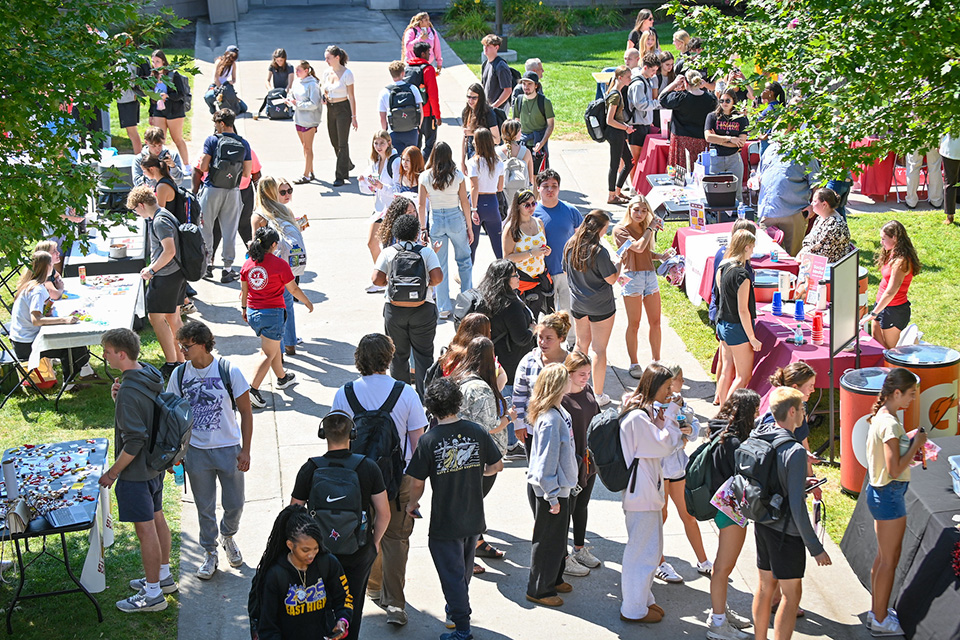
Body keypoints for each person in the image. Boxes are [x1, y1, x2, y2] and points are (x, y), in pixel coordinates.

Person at [331, 333, 428, 628]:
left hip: (357, 478)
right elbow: (418, 445)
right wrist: (416, 489)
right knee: (396, 539)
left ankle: (372, 586)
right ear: (389, 358)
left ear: (359, 358)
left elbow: (337, 442)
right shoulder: (406, 393)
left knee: (365, 532)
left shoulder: (344, 393)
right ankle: (395, 604)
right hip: (397, 478)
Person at [406, 378, 503, 639]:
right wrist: (477, 471)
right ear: (458, 403)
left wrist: (412, 504)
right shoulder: (477, 431)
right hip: (473, 518)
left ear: (430, 408)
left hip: (445, 522)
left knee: (451, 576)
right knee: (462, 571)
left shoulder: (429, 440)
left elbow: (417, 482)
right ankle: (455, 609)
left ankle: (461, 628)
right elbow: (496, 466)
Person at [289, 411, 391, 640]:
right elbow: (384, 513)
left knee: (319, 605)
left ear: (323, 434)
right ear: (352, 434)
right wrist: (374, 543)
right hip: (358, 551)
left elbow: (293, 514)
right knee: (351, 604)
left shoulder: (310, 468)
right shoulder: (368, 467)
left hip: (318, 554)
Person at [167, 321, 252, 580]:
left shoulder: (228, 370)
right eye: (181, 346)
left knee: (235, 503)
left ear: (203, 344)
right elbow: (171, 415)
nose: (182, 351)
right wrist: (174, 453)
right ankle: (210, 551)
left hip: (228, 449)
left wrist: (246, 450)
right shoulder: (179, 375)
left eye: (187, 346)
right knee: (204, 507)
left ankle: (228, 536)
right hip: (196, 452)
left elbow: (246, 412)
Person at [98, 328, 173, 613]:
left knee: (146, 531)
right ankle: (163, 577)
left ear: (121, 354)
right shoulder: (149, 373)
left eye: (107, 351)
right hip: (155, 467)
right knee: (157, 518)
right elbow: (145, 415)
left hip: (136, 473)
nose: (104, 356)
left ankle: (153, 595)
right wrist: (119, 400)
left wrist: (112, 473)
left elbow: (134, 441)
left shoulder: (129, 390)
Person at [750, 387, 832, 640]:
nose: (805, 413)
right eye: (803, 408)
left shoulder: (760, 433)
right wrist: (816, 548)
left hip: (763, 522)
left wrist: (800, 481)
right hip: (786, 533)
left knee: (765, 588)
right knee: (791, 594)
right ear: (793, 411)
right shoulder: (795, 451)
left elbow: (775, 476)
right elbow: (797, 507)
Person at [618, 363, 686, 624]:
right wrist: (672, 415)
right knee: (642, 553)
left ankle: (643, 600)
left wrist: (662, 416)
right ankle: (633, 609)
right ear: (655, 386)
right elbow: (665, 444)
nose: (671, 392)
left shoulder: (640, 412)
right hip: (641, 494)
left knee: (649, 549)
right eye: (667, 387)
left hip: (645, 491)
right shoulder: (637, 418)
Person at [864, 368, 924, 637]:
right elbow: (895, 468)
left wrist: (907, 441)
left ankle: (876, 612)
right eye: (911, 394)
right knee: (890, 560)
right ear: (896, 393)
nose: (913, 399)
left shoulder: (884, 416)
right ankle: (880, 620)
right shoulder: (889, 423)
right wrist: (917, 443)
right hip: (889, 494)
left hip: (882, 493)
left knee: (883, 558)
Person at [451, 336, 514, 572]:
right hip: (479, 458)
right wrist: (509, 418)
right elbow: (490, 426)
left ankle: (476, 543)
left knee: (469, 505)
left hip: (461, 453)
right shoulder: (480, 389)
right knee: (470, 507)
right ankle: (465, 556)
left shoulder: (460, 377)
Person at [704, 388, 760, 640]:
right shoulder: (736, 443)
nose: (758, 414)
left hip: (720, 506)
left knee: (722, 566)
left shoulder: (720, 430)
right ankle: (717, 624)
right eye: (755, 410)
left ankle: (721, 611)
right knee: (723, 567)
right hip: (732, 509)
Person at [251, 506, 352, 640]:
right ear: (290, 545)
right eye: (305, 550)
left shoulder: (328, 563)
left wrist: (342, 619)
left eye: (315, 548)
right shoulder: (275, 575)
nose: (311, 555)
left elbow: (344, 598)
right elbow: (268, 626)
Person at [240, 227, 314, 408]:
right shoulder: (280, 264)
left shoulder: (248, 264)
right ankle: (252, 390)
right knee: (267, 353)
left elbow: (244, 291)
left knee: (271, 347)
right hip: (272, 314)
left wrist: (244, 309)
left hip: (253, 312)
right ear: (273, 244)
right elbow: (293, 288)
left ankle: (282, 378)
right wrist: (307, 302)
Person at [524, 363, 579, 607]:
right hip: (549, 491)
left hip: (560, 488)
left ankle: (554, 579)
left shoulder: (559, 412)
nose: (571, 381)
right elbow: (545, 463)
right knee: (546, 542)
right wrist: (553, 496)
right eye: (567, 378)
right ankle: (539, 589)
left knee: (557, 541)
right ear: (558, 385)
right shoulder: (550, 419)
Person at [372, 214, 444, 397]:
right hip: (423, 309)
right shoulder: (426, 252)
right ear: (416, 234)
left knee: (398, 356)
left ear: (396, 234)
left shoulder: (388, 252)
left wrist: (391, 284)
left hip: (395, 310)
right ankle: (424, 398)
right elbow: (438, 278)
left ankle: (401, 398)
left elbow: (376, 279)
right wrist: (424, 285)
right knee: (424, 356)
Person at [654, 363, 710, 585]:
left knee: (688, 514)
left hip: (678, 468)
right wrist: (680, 440)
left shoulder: (681, 403)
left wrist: (690, 431)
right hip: (659, 469)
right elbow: (660, 440)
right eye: (679, 380)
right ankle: (658, 562)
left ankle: (703, 561)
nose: (683, 383)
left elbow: (695, 427)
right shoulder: (654, 407)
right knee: (661, 515)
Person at [475, 260, 536, 456]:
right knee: (508, 401)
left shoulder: (485, 296)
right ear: (504, 280)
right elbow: (521, 338)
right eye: (515, 275)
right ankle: (510, 444)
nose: (518, 278)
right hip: (510, 361)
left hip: (490, 356)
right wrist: (533, 329)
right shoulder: (511, 305)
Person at [563, 210, 619, 406]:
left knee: (580, 345)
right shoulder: (599, 251)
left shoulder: (570, 245)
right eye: (606, 228)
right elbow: (611, 279)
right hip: (600, 306)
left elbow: (565, 271)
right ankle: (598, 394)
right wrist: (618, 265)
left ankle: (571, 388)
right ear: (599, 229)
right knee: (599, 350)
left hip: (578, 304)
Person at [127, 186, 185, 377]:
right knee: (173, 318)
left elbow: (169, 251)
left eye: (135, 209)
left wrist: (151, 270)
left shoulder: (159, 221)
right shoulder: (165, 214)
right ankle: (182, 361)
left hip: (166, 276)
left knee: (156, 318)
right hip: (177, 274)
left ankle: (171, 363)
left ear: (142, 205)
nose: (137, 213)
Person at [614, 195, 674, 372]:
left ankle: (657, 361)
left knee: (656, 322)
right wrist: (650, 228)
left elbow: (645, 251)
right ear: (629, 209)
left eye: (644, 210)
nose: (639, 214)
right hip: (630, 277)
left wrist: (661, 256)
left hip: (649, 275)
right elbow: (638, 248)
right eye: (636, 210)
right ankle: (634, 363)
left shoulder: (644, 228)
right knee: (634, 323)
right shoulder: (620, 230)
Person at [194, 108, 253, 284]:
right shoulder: (243, 143)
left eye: (216, 123)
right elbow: (247, 173)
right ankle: (227, 269)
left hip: (212, 189)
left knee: (206, 228)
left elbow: (203, 167)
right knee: (230, 231)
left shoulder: (212, 140)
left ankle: (207, 266)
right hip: (233, 191)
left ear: (221, 123)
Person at [9, 251, 87, 383]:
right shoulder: (37, 290)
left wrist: (47, 313)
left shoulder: (31, 284)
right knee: (72, 345)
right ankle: (70, 383)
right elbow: (36, 320)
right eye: (51, 263)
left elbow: (36, 315)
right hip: (26, 345)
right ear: (47, 267)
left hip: (20, 340)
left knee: (72, 342)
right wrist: (64, 320)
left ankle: (85, 373)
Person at [418, 141, 473, 319]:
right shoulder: (457, 176)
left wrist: (422, 228)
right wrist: (469, 227)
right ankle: (467, 302)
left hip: (436, 220)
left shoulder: (425, 176)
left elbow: (421, 205)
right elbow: (464, 202)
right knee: (464, 260)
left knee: (440, 264)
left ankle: (443, 307)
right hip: (455, 218)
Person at [560, 351, 601, 576]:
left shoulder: (588, 390)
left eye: (588, 373)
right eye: (581, 374)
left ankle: (579, 548)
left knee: (582, 505)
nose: (586, 378)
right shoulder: (562, 399)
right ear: (569, 373)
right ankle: (563, 557)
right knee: (567, 509)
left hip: (588, 461)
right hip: (571, 462)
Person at [535, 169, 584, 342]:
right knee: (544, 313)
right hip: (541, 273)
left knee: (568, 310)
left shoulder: (571, 211)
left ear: (559, 188)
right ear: (538, 188)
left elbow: (582, 239)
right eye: (545, 186)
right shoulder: (531, 212)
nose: (550, 189)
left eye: (554, 186)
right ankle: (543, 343)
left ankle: (570, 342)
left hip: (566, 272)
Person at [513, 311, 571, 453]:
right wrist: (519, 424)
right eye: (540, 337)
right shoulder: (528, 361)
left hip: (564, 429)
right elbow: (519, 395)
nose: (543, 342)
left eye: (549, 338)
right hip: (533, 429)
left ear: (561, 338)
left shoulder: (571, 363)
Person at [715, 229, 761, 405]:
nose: (753, 251)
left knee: (726, 371)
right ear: (746, 247)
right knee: (743, 376)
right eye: (752, 247)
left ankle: (721, 408)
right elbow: (743, 310)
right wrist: (752, 338)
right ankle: (726, 413)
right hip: (736, 328)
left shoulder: (723, 267)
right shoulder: (742, 275)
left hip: (722, 324)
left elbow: (722, 296)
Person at [860, 220, 921, 349]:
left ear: (894, 238)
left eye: (883, 239)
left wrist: (873, 313)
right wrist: (876, 311)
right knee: (878, 346)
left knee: (892, 351)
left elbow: (891, 291)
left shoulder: (901, 261)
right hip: (881, 305)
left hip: (894, 310)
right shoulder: (891, 253)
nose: (881, 242)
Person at [756, 140, 820, 257]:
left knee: (793, 258)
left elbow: (817, 184)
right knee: (766, 256)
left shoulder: (804, 153)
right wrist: (755, 179)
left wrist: (813, 206)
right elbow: (760, 173)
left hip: (793, 214)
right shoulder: (770, 149)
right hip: (767, 213)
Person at [503, 189, 552, 319]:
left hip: (539, 280)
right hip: (521, 282)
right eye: (527, 205)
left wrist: (546, 250)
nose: (531, 208)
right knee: (521, 320)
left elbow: (542, 245)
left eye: (533, 203)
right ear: (518, 206)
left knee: (536, 319)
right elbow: (507, 258)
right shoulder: (512, 228)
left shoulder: (539, 222)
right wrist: (531, 254)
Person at [659, 70, 717, 170]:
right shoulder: (710, 99)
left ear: (685, 82)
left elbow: (661, 98)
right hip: (701, 139)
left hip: (681, 140)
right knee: (700, 169)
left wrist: (674, 83)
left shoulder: (680, 98)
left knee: (680, 170)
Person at [360, 130, 402, 269]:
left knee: (390, 248)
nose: (378, 146)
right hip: (379, 209)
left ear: (389, 143)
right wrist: (366, 183)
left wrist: (381, 186)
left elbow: (398, 190)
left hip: (392, 210)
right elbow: (370, 189)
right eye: (376, 143)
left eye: (382, 143)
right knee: (372, 243)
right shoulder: (376, 161)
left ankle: (389, 275)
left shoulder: (395, 162)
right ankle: (382, 274)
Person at [466, 127, 505, 261]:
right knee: (498, 243)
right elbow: (500, 187)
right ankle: (505, 269)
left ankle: (468, 271)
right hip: (492, 202)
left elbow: (474, 187)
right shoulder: (498, 162)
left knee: (472, 243)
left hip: (477, 203)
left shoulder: (473, 162)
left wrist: (474, 209)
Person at [704, 88, 749, 202]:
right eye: (722, 101)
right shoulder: (712, 116)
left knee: (737, 194)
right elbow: (708, 137)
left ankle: (738, 213)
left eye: (727, 101)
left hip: (734, 159)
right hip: (715, 158)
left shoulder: (740, 118)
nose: (724, 103)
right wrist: (730, 139)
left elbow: (741, 143)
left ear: (733, 101)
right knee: (714, 192)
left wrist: (718, 140)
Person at [321, 45, 357, 186]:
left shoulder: (347, 74)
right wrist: (324, 97)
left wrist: (354, 117)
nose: (326, 61)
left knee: (342, 143)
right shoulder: (326, 73)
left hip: (343, 109)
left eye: (328, 58)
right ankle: (346, 163)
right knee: (334, 141)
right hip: (330, 108)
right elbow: (325, 90)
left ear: (337, 58)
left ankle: (340, 176)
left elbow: (352, 96)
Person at [148, 49, 189, 166]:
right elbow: (151, 97)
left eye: (157, 61)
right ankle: (161, 165)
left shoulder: (173, 75)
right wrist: (151, 114)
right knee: (159, 139)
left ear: (164, 62)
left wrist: (168, 96)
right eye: (153, 62)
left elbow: (181, 94)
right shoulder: (153, 77)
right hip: (159, 111)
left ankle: (186, 165)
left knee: (177, 139)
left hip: (174, 111)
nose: (155, 64)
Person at [603, 67, 636, 205]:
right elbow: (609, 120)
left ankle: (617, 191)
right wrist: (626, 128)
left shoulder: (617, 92)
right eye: (628, 77)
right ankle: (611, 196)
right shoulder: (615, 95)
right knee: (615, 164)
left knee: (629, 162)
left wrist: (625, 128)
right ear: (620, 78)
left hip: (619, 132)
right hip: (615, 133)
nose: (630, 79)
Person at [625, 53, 660, 184]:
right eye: (653, 70)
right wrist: (657, 103)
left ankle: (637, 184)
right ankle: (633, 185)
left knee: (641, 158)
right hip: (636, 125)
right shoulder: (638, 84)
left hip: (644, 124)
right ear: (645, 67)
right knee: (635, 158)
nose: (654, 73)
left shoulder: (647, 80)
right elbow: (640, 105)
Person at [405, 41, 442, 161]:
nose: (429, 55)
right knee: (430, 144)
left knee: (415, 144)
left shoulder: (407, 68)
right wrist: (437, 116)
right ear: (423, 53)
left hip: (412, 113)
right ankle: (422, 167)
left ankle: (413, 167)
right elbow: (433, 95)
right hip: (427, 114)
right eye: (428, 53)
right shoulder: (428, 69)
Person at [287, 61, 322, 185]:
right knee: (304, 146)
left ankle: (306, 175)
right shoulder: (297, 82)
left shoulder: (313, 84)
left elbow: (314, 104)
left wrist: (297, 104)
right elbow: (292, 95)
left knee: (308, 147)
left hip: (310, 120)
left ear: (307, 71)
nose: (296, 73)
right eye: (296, 70)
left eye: (299, 70)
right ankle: (310, 171)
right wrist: (289, 100)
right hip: (299, 119)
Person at [512, 71, 555, 172]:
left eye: (529, 84)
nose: (526, 87)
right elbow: (516, 122)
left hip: (538, 142)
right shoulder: (518, 100)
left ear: (536, 85)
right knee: (523, 174)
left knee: (538, 175)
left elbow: (550, 125)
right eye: (524, 84)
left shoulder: (544, 102)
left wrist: (542, 143)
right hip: (523, 143)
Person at [797, 187, 852, 265]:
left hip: (829, 266)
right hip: (814, 260)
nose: (811, 204)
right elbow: (809, 239)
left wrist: (802, 257)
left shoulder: (834, 226)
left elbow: (821, 252)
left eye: (814, 201)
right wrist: (802, 252)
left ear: (824, 204)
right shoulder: (820, 218)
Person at [378, 60, 423, 154]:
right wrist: (418, 127)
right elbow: (421, 111)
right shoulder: (413, 88)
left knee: (396, 158)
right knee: (411, 158)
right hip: (411, 131)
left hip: (394, 132)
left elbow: (382, 118)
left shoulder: (384, 92)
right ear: (403, 73)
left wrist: (385, 132)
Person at [461, 82, 501, 171]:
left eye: (474, 98)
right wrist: (462, 162)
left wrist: (473, 133)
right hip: (471, 153)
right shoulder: (466, 112)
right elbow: (465, 138)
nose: (470, 100)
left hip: (486, 154)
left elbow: (497, 140)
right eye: (468, 97)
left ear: (480, 98)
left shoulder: (488, 113)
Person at [497, 119, 535, 207]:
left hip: (504, 195)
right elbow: (531, 179)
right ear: (516, 133)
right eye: (519, 131)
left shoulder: (497, 152)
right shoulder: (526, 152)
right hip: (522, 196)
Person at [254, 48, 294, 120]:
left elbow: (290, 83)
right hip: (275, 90)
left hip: (285, 91)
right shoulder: (272, 66)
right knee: (268, 99)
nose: (279, 62)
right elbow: (267, 80)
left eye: (281, 60)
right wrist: (270, 90)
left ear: (285, 59)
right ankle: (261, 111)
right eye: (277, 60)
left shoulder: (289, 67)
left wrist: (286, 91)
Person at [204, 48, 245, 114]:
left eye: (233, 58)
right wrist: (221, 89)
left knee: (244, 108)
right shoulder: (219, 62)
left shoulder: (233, 64)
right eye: (230, 57)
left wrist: (231, 82)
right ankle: (212, 109)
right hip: (216, 85)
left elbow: (234, 79)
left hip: (226, 86)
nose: (231, 60)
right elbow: (216, 78)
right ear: (226, 54)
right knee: (208, 96)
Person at [480, 34, 513, 110]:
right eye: (484, 45)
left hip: (499, 108)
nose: (485, 48)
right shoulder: (485, 64)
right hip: (488, 107)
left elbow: (508, 90)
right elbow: (483, 86)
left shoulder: (501, 66)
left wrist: (494, 106)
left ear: (496, 47)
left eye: (489, 46)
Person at [756, 81, 786, 158]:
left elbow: (774, 124)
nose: (762, 91)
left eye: (764, 89)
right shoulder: (776, 106)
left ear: (771, 93)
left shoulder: (772, 109)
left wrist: (765, 135)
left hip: (768, 144)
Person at [940, 133, 960, 224]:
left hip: (950, 150)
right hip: (950, 150)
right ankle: (950, 215)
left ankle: (950, 215)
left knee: (950, 183)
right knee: (950, 183)